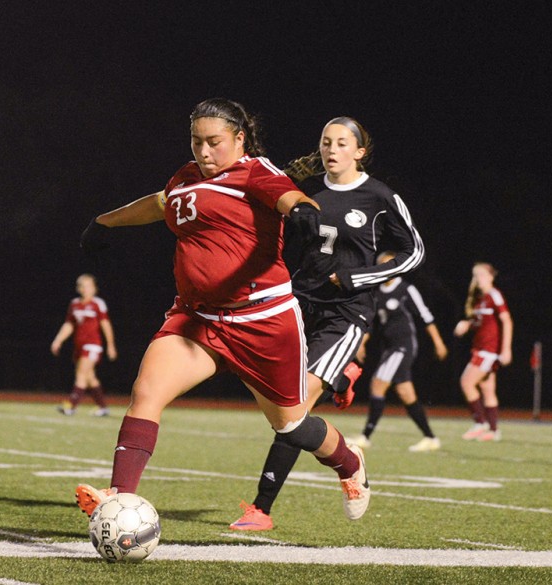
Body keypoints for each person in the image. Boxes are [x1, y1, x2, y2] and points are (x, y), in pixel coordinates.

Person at [74, 99, 370, 527]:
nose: (205, 152)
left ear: (239, 139)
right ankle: (119, 499)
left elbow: (291, 198)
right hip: (198, 320)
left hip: (262, 321)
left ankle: (348, 462)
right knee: (147, 392)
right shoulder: (186, 177)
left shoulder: (256, 171)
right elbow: (159, 204)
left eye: (215, 142)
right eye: (197, 142)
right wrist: (105, 222)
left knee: (291, 425)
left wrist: (304, 212)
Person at [232, 116, 424, 532]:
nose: (332, 149)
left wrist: (359, 276)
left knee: (294, 408)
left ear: (359, 151)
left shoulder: (378, 196)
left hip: (347, 312)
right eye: (325, 142)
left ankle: (262, 508)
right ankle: (342, 380)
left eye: (341, 143)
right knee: (281, 403)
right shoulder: (305, 189)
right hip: (298, 304)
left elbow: (414, 252)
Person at [349, 251, 448, 452]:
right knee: (405, 393)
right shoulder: (376, 293)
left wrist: (438, 342)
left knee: (378, 384)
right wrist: (362, 343)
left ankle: (365, 436)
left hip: (403, 347)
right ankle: (430, 438)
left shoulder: (405, 289)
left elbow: (425, 315)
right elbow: (371, 324)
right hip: (389, 348)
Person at [454, 262, 512, 442]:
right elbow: (482, 324)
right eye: (475, 275)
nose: (476, 279)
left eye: (480, 275)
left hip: (489, 351)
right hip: (480, 349)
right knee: (487, 389)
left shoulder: (494, 295)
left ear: (490, 276)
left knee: (467, 382)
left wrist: (506, 349)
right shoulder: (480, 299)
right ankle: (493, 431)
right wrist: (467, 325)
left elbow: (507, 321)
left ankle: (480, 423)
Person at [50, 273, 117, 416]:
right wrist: (58, 340)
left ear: (94, 289)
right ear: (78, 288)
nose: (85, 289)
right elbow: (69, 325)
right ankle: (103, 407)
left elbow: (106, 325)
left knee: (81, 374)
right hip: (79, 346)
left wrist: (111, 345)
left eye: (88, 286)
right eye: (82, 286)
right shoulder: (74, 304)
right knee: (90, 378)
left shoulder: (97, 304)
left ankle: (71, 406)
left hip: (93, 345)